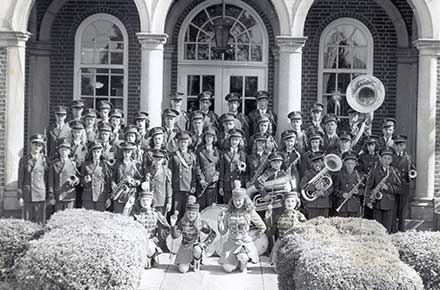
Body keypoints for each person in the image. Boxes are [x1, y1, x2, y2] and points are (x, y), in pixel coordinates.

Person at [218, 184, 266, 273]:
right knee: (228, 269)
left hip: (243, 243)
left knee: (243, 257)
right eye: (235, 200)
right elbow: (223, 231)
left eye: (240, 200)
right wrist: (220, 221)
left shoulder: (249, 212)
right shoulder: (228, 212)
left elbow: (262, 227)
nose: (237, 203)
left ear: (244, 200)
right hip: (231, 243)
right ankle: (234, 261)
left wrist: (253, 237)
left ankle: (243, 262)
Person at [170, 198, 216, 273]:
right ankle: (186, 262)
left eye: (193, 213)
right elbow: (174, 236)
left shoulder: (201, 223)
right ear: (186, 213)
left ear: (197, 214)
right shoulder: (182, 222)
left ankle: (196, 261)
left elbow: (213, 234)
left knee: (197, 249)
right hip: (184, 247)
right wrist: (173, 225)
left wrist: (204, 244)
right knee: (183, 270)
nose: (191, 215)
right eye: (189, 213)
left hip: (195, 247)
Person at [17, 134, 53, 224]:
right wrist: (20, 196)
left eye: (39, 145)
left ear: (42, 147)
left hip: (40, 194)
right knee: (27, 221)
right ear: (31, 145)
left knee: (40, 221)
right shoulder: (24, 160)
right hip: (27, 194)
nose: (37, 147)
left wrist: (49, 195)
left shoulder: (45, 161)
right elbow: (20, 180)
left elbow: (49, 180)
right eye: (35, 144)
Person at [266, 192, 306, 270]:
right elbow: (271, 231)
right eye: (288, 201)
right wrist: (268, 218)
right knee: (277, 266)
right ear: (284, 203)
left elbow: (305, 229)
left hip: (294, 241)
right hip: (281, 241)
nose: (290, 203)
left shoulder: (300, 216)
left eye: (292, 201)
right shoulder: (279, 216)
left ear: (296, 203)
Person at [365, 147, 401, 233]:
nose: (386, 160)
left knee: (387, 228)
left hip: (389, 203)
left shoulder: (394, 171)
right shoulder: (374, 171)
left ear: (391, 160)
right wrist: (368, 201)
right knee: (377, 227)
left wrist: (387, 188)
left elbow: (399, 188)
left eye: (388, 159)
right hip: (377, 203)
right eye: (384, 158)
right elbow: (368, 187)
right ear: (381, 159)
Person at [132, 190, 171, 269]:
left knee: (149, 248)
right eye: (143, 200)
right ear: (139, 201)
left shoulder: (156, 214)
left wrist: (158, 237)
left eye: (147, 200)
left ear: (151, 201)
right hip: (138, 240)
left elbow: (166, 228)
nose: (145, 202)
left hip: (150, 240)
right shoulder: (135, 214)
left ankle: (151, 257)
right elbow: (127, 225)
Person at [168, 131, 196, 219]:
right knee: (176, 210)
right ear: (178, 143)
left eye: (185, 142)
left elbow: (194, 172)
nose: (183, 144)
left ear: (188, 143)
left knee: (187, 210)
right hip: (177, 187)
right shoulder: (174, 156)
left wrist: (194, 185)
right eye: (181, 142)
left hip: (188, 187)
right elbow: (170, 172)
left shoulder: (192, 156)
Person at [47, 138, 80, 212]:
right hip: (58, 195)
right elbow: (50, 182)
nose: (63, 152)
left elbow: (79, 177)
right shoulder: (54, 164)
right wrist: (51, 195)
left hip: (69, 195)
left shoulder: (73, 164)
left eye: (65, 150)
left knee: (69, 218)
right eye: (61, 149)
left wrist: (76, 180)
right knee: (58, 217)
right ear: (58, 151)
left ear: (69, 151)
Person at [111, 141, 142, 214]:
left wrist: (132, 181)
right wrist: (113, 184)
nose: (127, 154)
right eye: (125, 152)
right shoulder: (117, 164)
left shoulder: (136, 165)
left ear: (131, 153)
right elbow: (113, 177)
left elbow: (139, 179)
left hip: (130, 194)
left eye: (129, 152)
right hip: (118, 193)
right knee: (118, 215)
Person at [299, 151, 333, 219]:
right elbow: (302, 185)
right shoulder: (308, 173)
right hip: (312, 204)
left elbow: (331, 188)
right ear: (312, 164)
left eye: (320, 162)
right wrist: (314, 186)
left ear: (323, 163)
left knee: (324, 225)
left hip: (324, 204)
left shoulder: (327, 174)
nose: (317, 164)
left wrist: (323, 193)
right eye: (315, 162)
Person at [80, 141, 112, 211]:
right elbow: (81, 182)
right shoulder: (85, 164)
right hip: (88, 197)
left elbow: (108, 183)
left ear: (101, 153)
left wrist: (108, 197)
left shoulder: (105, 165)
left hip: (100, 197)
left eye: (98, 152)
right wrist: (85, 180)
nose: (96, 154)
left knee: (99, 219)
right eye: (94, 152)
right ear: (91, 153)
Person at [219, 128, 247, 204]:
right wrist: (221, 186)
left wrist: (242, 169)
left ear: (239, 141)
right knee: (227, 204)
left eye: (236, 140)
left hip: (238, 184)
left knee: (238, 204)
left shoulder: (242, 154)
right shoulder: (224, 154)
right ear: (229, 140)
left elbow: (245, 170)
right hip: (227, 184)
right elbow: (222, 170)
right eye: (232, 140)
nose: (234, 142)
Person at [195, 126, 220, 209]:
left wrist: (216, 175)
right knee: (201, 206)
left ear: (214, 138)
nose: (209, 139)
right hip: (203, 183)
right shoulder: (200, 150)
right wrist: (200, 179)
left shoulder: (217, 151)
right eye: (207, 137)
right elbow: (197, 166)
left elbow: (219, 167)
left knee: (211, 206)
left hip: (212, 183)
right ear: (204, 138)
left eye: (211, 137)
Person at [333, 151, 365, 217]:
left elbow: (364, 190)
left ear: (355, 164)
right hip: (343, 206)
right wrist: (342, 194)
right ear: (344, 164)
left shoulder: (359, 175)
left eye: (352, 163)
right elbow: (335, 190)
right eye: (348, 163)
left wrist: (358, 192)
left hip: (355, 206)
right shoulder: (339, 175)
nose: (350, 166)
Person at [392, 134, 413, 231]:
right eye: (397, 145)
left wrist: (410, 175)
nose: (399, 147)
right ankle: (392, 229)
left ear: (404, 146)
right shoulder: (391, 157)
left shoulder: (408, 158)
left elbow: (413, 170)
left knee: (402, 210)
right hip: (393, 187)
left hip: (404, 187)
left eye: (401, 145)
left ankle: (401, 229)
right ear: (394, 146)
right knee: (393, 209)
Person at [143, 149, 172, 216]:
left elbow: (169, 188)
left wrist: (169, 202)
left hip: (161, 200)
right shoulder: (149, 170)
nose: (157, 162)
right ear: (153, 159)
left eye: (159, 160)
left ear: (163, 160)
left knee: (160, 221)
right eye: (156, 159)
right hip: (150, 200)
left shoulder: (166, 171)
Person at [68, 120, 88, 208]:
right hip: (70, 173)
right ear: (72, 133)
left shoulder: (84, 147)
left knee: (80, 196)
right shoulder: (68, 145)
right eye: (75, 132)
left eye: (79, 132)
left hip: (81, 173)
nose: (77, 134)